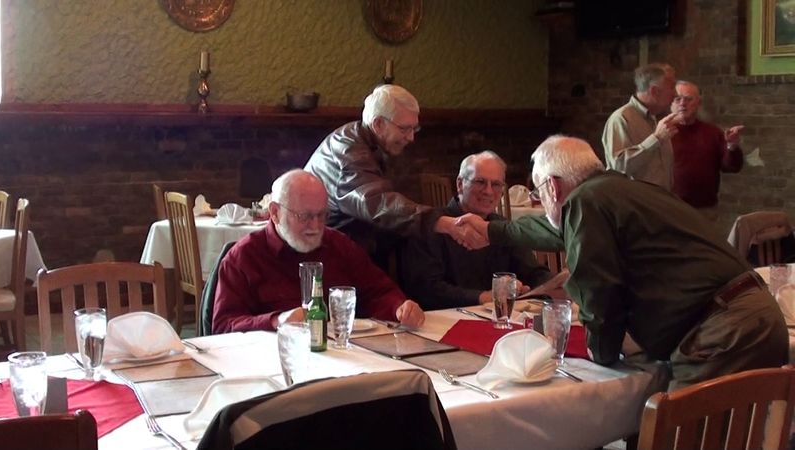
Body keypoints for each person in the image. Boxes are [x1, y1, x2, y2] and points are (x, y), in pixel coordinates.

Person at [454, 135, 787, 390]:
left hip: (722, 332)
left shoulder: (586, 202)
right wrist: (492, 230)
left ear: (552, 187)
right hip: (757, 316)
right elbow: (558, 229)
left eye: (538, 192)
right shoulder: (618, 190)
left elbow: (599, 291)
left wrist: (601, 353)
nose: (540, 199)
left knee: (676, 435)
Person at [212, 169, 425, 333]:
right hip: (273, 362)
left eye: (322, 215)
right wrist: (277, 321)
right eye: (304, 216)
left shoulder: (339, 245)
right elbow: (222, 326)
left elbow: (377, 291)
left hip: (343, 357)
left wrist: (399, 307)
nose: (315, 226)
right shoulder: (244, 257)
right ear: (275, 213)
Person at [304, 84, 463, 268]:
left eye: (414, 129)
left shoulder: (370, 142)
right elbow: (376, 202)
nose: (411, 137)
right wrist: (439, 222)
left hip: (348, 241)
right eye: (404, 129)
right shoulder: (347, 147)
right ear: (378, 124)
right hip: (323, 252)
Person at [402, 151, 558, 310]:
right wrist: (483, 297)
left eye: (496, 184)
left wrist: (552, 285)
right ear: (460, 184)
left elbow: (533, 272)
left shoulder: (502, 226)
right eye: (480, 182)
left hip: (502, 317)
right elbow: (426, 289)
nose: (488, 191)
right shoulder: (433, 225)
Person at [670, 80, 744, 220]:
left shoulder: (712, 132)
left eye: (688, 99)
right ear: (671, 103)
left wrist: (732, 146)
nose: (682, 103)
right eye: (677, 99)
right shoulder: (662, 132)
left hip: (704, 209)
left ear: (698, 102)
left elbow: (731, 167)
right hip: (669, 208)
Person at [602, 63, 682, 190]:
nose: (675, 94)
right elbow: (618, 167)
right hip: (634, 201)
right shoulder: (621, 118)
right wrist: (656, 139)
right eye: (672, 87)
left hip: (659, 199)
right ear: (654, 92)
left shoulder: (656, 118)